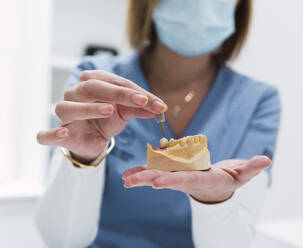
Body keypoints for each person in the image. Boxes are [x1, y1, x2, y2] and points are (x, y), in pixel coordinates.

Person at [35, 0, 281, 247]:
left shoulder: (258, 101)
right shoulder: (93, 84)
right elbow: (62, 241)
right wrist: (83, 160)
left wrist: (215, 200)